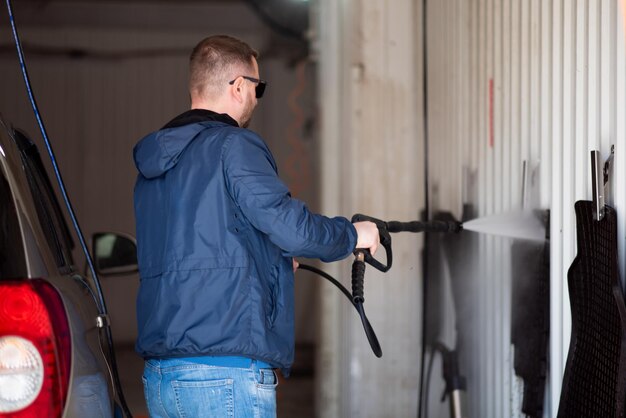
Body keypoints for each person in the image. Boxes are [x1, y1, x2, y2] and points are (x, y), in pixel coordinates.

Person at [132, 35, 379, 418]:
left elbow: (202, 250)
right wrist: (352, 234)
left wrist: (272, 262)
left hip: (164, 378)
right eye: (257, 87)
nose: (257, 98)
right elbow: (289, 227)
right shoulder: (234, 146)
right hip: (226, 375)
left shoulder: (155, 166)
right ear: (238, 86)